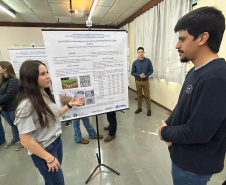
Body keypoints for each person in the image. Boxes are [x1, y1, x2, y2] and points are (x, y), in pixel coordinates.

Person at [158, 7, 226, 185]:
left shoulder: (216, 77)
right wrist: (169, 127)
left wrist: (164, 132)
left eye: (182, 39)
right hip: (183, 157)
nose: (177, 45)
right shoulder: (196, 71)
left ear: (202, 38)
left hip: (193, 167)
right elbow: (182, 107)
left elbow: (199, 133)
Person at [14, 60, 85, 185]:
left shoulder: (43, 95)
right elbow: (25, 140)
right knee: (57, 182)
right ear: (31, 78)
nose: (48, 76)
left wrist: (70, 105)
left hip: (56, 143)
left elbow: (54, 115)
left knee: (52, 181)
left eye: (47, 72)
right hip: (44, 150)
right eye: (42, 74)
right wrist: (48, 157)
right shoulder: (26, 105)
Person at [0, 61, 24, 151]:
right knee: (12, 125)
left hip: (13, 107)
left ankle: (25, 142)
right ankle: (15, 138)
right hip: (5, 108)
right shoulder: (3, 80)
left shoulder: (13, 81)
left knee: (19, 125)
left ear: (5, 68)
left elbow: (9, 95)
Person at [131, 47, 153, 116]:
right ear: (137, 53)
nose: (140, 53)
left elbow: (151, 70)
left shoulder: (148, 61)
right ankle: (139, 108)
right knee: (139, 95)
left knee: (147, 96)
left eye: (142, 52)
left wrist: (145, 75)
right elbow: (132, 72)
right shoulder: (135, 63)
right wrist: (139, 75)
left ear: (144, 52)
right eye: (139, 52)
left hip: (145, 81)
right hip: (138, 81)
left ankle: (149, 109)